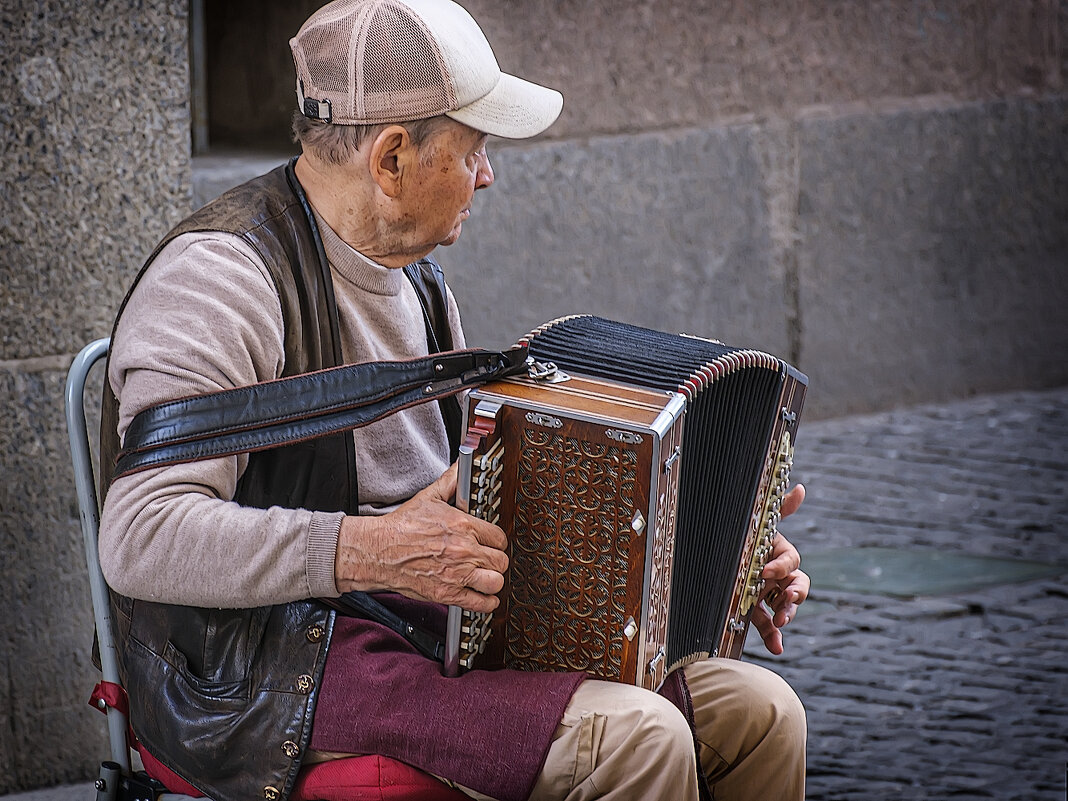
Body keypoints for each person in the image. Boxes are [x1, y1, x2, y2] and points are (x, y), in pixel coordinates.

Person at [98, 1, 811, 800]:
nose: (487, 174)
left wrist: (708, 561)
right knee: (639, 738)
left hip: (420, 625)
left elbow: (462, 503)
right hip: (272, 666)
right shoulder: (220, 281)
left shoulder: (417, 280)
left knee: (761, 710)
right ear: (393, 158)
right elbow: (139, 536)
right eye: (474, 149)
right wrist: (366, 549)